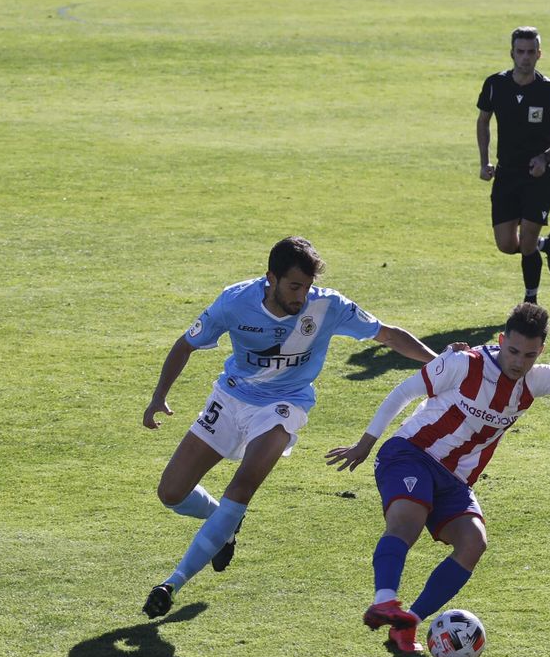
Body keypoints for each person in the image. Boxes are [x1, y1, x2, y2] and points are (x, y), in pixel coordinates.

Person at [139, 236, 447, 621]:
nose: (301, 297)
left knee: (243, 485)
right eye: (294, 286)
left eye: (307, 287)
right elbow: (186, 344)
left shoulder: (328, 305)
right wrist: (158, 396)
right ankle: (224, 522)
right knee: (171, 492)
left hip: (284, 405)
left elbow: (387, 335)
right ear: (271, 278)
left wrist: (440, 364)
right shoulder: (235, 301)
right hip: (231, 398)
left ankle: (172, 583)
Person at [326, 304, 550, 653]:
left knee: (473, 543)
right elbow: (404, 391)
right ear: (501, 340)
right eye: (513, 351)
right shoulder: (464, 363)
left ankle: (408, 625)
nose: (518, 362)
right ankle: (384, 601)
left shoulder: (535, 379)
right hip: (411, 454)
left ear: (540, 351)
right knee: (407, 521)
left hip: (455, 480)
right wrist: (365, 443)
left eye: (529, 355)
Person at [476, 27, 550, 305]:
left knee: (527, 242)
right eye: (520, 51)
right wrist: (484, 162)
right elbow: (483, 121)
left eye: (531, 52)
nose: (525, 57)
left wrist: (545, 158)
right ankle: (547, 244)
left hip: (539, 176)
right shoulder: (495, 85)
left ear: (539, 54)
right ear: (512, 53)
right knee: (507, 245)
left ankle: (531, 302)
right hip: (507, 174)